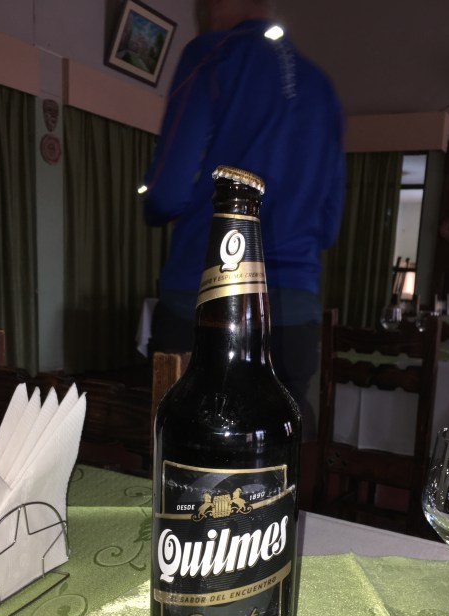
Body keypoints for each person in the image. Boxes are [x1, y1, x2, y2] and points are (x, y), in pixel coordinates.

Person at [143, 0, 345, 435]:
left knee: (182, 439)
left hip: (204, 293)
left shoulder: (211, 55)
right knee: (281, 442)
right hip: (293, 307)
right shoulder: (323, 88)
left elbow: (166, 193)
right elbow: (329, 226)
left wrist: (153, 205)